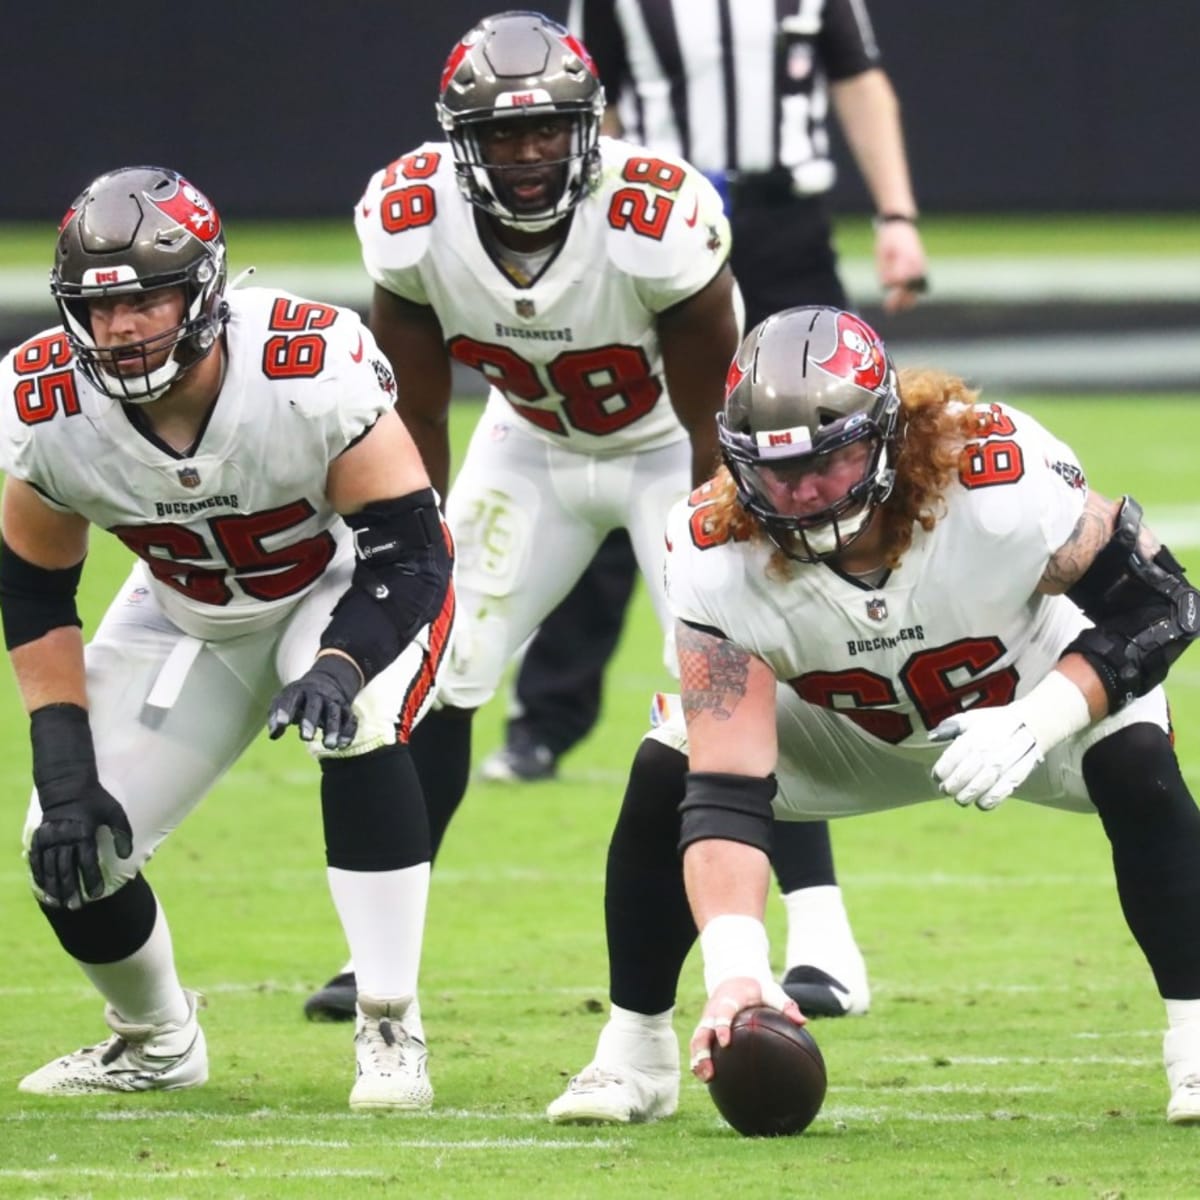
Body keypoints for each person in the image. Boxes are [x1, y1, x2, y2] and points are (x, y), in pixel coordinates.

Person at [302, 10, 864, 1025]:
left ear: (592, 127)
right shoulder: (409, 215)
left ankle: (826, 945)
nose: (526, 154)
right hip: (530, 446)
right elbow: (420, 410)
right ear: (456, 139)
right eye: (503, 134)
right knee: (435, 669)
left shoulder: (655, 217)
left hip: (671, 448)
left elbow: (710, 413)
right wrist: (418, 539)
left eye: (548, 129)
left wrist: (720, 546)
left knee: (731, 674)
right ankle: (380, 953)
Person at [547, 304, 1200, 1127]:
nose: (804, 492)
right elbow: (725, 785)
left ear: (888, 436)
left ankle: (1197, 1044)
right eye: (777, 472)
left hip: (1026, 695)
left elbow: (1161, 606)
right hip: (852, 729)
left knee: (1135, 756)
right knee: (667, 763)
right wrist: (738, 970)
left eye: (832, 460)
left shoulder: (994, 474)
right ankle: (635, 1051)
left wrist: (1039, 719)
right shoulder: (714, 546)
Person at [0, 166, 455, 1111]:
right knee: (66, 838)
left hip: (342, 583)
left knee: (358, 716)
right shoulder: (45, 405)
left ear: (203, 292)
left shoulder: (306, 363)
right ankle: (156, 1039)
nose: (120, 328)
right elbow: (35, 587)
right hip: (186, 608)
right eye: (98, 306)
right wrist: (62, 762)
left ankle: (388, 1021)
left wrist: (338, 661)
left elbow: (410, 553)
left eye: (146, 299)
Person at [486, 0, 930, 785]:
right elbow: (590, 106)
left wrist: (896, 213)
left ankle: (869, 678)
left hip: (783, 221)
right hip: (661, 230)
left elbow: (859, 79)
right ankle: (547, 718)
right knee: (623, 448)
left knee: (844, 450)